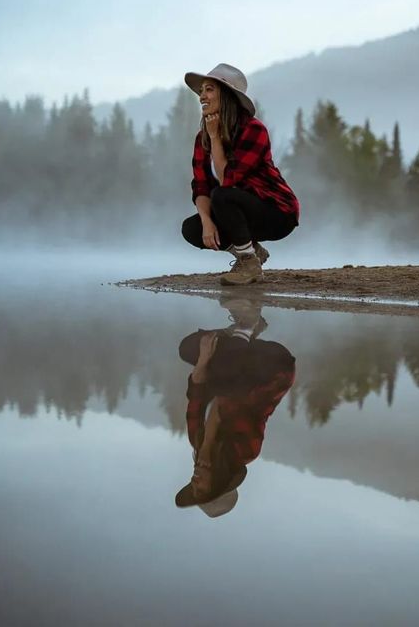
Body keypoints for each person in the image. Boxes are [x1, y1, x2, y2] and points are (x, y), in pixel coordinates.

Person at [175, 296, 296, 518]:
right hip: (271, 370)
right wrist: (212, 366)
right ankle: (246, 326)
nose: (194, 483)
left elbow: (195, 399)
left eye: (193, 488)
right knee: (224, 372)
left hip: (236, 367)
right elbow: (238, 400)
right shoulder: (244, 452)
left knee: (187, 348)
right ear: (217, 483)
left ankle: (244, 334)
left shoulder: (197, 441)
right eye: (201, 488)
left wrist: (203, 363)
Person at [181, 63, 300, 286]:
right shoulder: (202, 137)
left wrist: (216, 138)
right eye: (201, 91)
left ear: (226, 95)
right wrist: (207, 222)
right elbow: (201, 184)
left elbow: (229, 180)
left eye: (209, 90)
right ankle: (252, 253)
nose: (201, 97)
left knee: (223, 195)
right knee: (192, 228)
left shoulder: (253, 129)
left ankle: (248, 263)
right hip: (238, 209)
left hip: (278, 213)